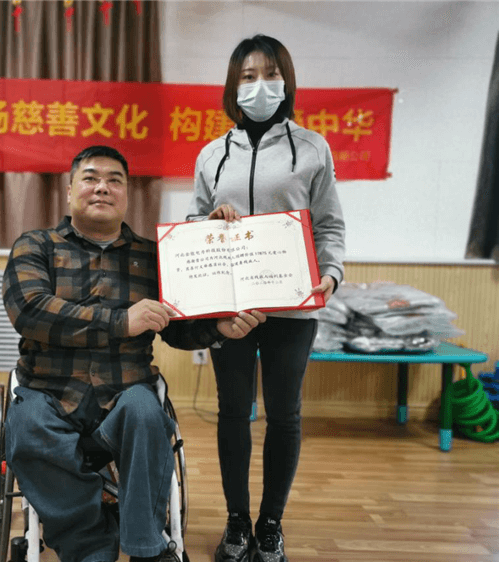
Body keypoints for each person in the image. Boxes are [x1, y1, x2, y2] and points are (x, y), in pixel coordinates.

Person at [2, 145, 267, 562]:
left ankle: (147, 547)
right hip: (49, 390)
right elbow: (31, 311)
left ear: (127, 194)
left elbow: (178, 328)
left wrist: (217, 328)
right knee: (28, 428)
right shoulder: (36, 246)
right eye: (90, 178)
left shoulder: (155, 256)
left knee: (146, 412)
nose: (102, 188)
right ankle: (91, 544)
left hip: (126, 390)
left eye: (115, 180)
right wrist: (121, 322)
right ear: (69, 190)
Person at [186, 35, 346, 562]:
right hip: (230, 310)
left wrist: (331, 274)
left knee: (284, 414)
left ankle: (270, 524)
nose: (260, 85)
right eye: (248, 76)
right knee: (233, 412)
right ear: (233, 86)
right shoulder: (212, 154)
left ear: (286, 81)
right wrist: (209, 222)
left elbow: (328, 226)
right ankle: (237, 521)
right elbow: (194, 224)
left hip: (291, 308)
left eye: (270, 74)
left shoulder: (313, 148)